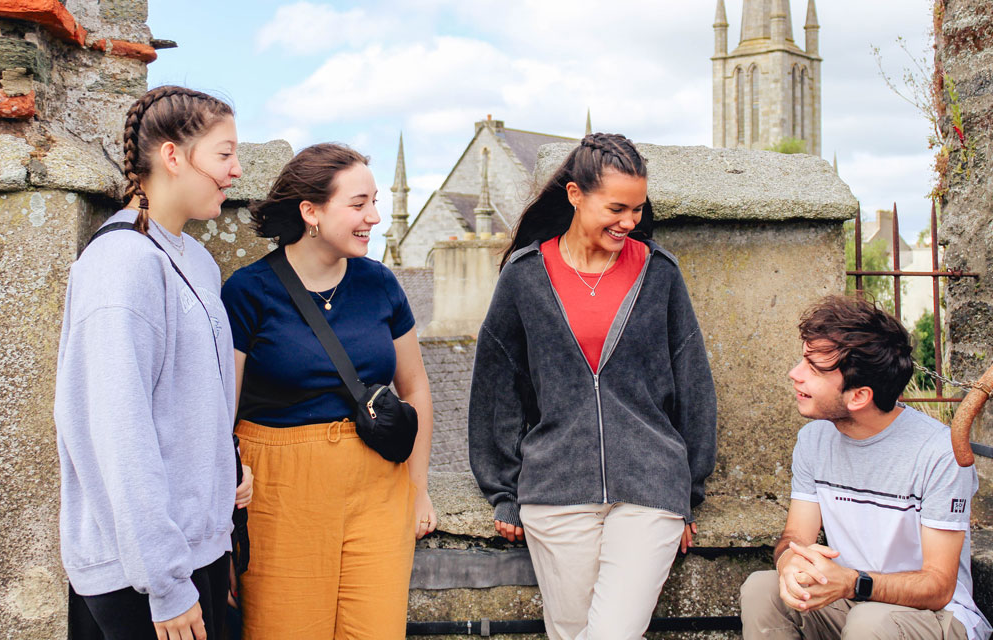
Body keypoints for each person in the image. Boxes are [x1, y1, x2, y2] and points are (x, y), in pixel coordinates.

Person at [469, 133, 717, 640]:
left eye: (637, 209)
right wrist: (503, 491)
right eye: (617, 208)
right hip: (555, 490)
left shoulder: (660, 273)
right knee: (572, 632)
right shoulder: (524, 277)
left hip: (651, 487)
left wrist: (688, 491)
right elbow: (497, 389)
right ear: (575, 195)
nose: (629, 222)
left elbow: (693, 383)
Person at [56, 85, 253, 640]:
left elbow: (191, 401)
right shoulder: (121, 264)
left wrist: (226, 472)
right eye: (224, 154)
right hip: (140, 575)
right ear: (172, 155)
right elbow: (120, 435)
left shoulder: (195, 260)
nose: (237, 171)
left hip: (196, 553)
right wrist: (165, 583)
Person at [221, 142, 435, 640]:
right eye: (358, 204)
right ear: (310, 211)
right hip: (279, 492)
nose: (375, 217)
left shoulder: (380, 283)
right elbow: (220, 413)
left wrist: (419, 489)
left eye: (375, 201)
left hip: (379, 489)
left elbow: (416, 387)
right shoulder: (248, 291)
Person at [740, 295, 992, 640]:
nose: (794, 375)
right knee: (762, 589)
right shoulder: (814, 440)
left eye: (813, 370)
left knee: (870, 623)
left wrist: (854, 582)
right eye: (803, 361)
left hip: (936, 618)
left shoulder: (939, 453)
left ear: (858, 397)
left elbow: (938, 586)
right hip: (857, 602)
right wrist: (789, 562)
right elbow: (796, 537)